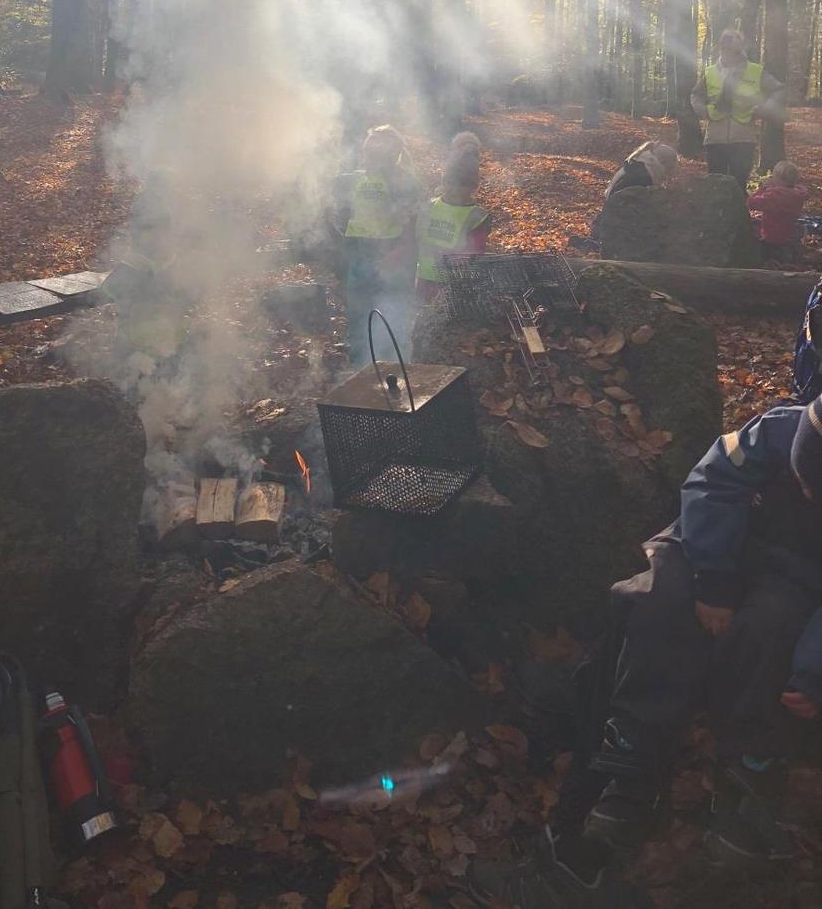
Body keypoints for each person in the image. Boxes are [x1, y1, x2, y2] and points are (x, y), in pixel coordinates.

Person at [469, 398, 822, 907]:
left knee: (772, 634)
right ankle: (625, 769)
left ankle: (747, 782)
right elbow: (710, 483)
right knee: (655, 602)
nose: (808, 493)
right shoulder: (776, 431)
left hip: (795, 592)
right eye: (803, 479)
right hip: (717, 553)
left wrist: (814, 669)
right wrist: (714, 580)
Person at [332, 125, 421, 366]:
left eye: (372, 155)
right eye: (365, 153)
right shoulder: (356, 180)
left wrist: (399, 252)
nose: (365, 159)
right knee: (359, 321)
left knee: (393, 322)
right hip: (360, 260)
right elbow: (343, 217)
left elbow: (413, 225)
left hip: (391, 262)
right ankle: (360, 375)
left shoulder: (405, 183)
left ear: (390, 158)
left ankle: (398, 373)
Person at [691, 29, 784, 192]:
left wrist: (764, 109)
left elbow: (779, 90)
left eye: (734, 48)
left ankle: (737, 216)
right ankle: (715, 217)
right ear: (721, 47)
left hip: (744, 138)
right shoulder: (710, 72)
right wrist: (703, 111)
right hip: (715, 137)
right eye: (726, 47)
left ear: (740, 49)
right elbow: (696, 95)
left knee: (738, 185)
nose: (729, 52)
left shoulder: (755, 70)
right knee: (715, 185)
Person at [416, 135, 492, 306]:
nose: (455, 189)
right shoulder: (429, 207)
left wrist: (449, 257)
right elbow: (416, 238)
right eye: (450, 183)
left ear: (473, 186)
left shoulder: (476, 216)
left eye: (462, 185)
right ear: (444, 180)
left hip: (454, 284)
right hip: (424, 279)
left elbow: (476, 254)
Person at [748, 161, 808, 266]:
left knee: (750, 230)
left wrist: (763, 188)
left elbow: (751, 203)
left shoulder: (773, 196)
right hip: (790, 234)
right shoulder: (798, 194)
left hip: (772, 237)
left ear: (779, 179)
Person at [604, 142, 678, 199]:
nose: (669, 172)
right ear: (663, 161)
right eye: (670, 167)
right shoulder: (645, 177)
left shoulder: (637, 164)